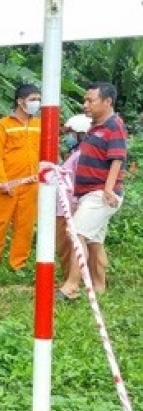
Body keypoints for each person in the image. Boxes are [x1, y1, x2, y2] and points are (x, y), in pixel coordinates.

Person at [58, 82, 128, 300]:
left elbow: (117, 158)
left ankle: (71, 286)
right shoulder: (94, 127)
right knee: (94, 241)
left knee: (76, 233)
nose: (85, 104)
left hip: (101, 193)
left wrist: (108, 189)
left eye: (91, 100)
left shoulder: (114, 125)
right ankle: (99, 286)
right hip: (89, 193)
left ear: (107, 102)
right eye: (85, 100)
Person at [0, 83, 42, 272]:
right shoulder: (2, 126)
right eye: (33, 99)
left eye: (38, 100)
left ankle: (18, 264)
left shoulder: (39, 125)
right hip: (5, 185)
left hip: (31, 184)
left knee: (25, 226)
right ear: (20, 101)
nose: (36, 103)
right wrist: (2, 181)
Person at [55, 114, 90, 282]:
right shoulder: (74, 154)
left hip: (69, 206)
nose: (67, 136)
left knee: (67, 245)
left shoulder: (81, 155)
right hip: (64, 205)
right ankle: (69, 277)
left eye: (71, 133)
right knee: (64, 246)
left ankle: (72, 279)